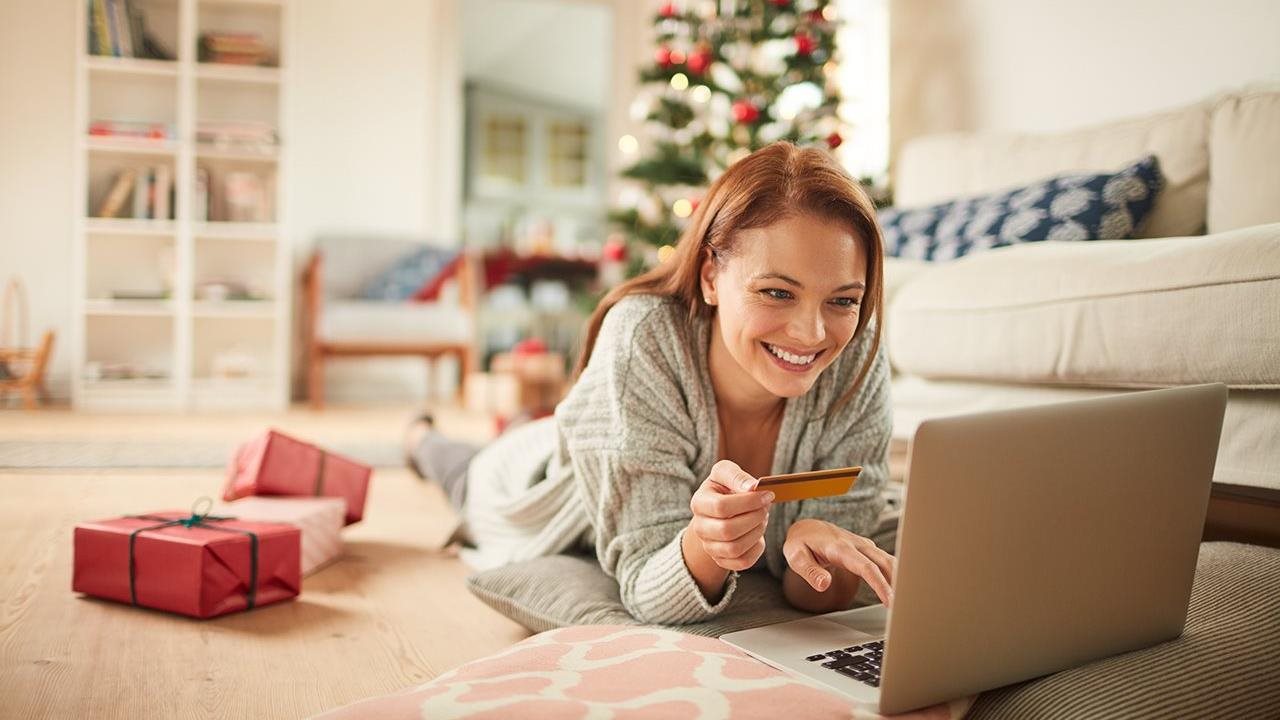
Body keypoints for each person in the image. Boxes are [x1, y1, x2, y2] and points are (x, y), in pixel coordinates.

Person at [407, 141, 894, 625]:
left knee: (528, 430)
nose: (812, 333)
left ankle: (521, 426)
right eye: (776, 292)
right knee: (463, 472)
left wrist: (825, 561)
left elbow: (820, 590)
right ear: (709, 277)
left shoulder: (856, 353)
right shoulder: (643, 336)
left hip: (609, 434)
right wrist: (707, 544)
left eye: (843, 300)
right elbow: (645, 585)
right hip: (536, 489)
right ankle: (420, 438)